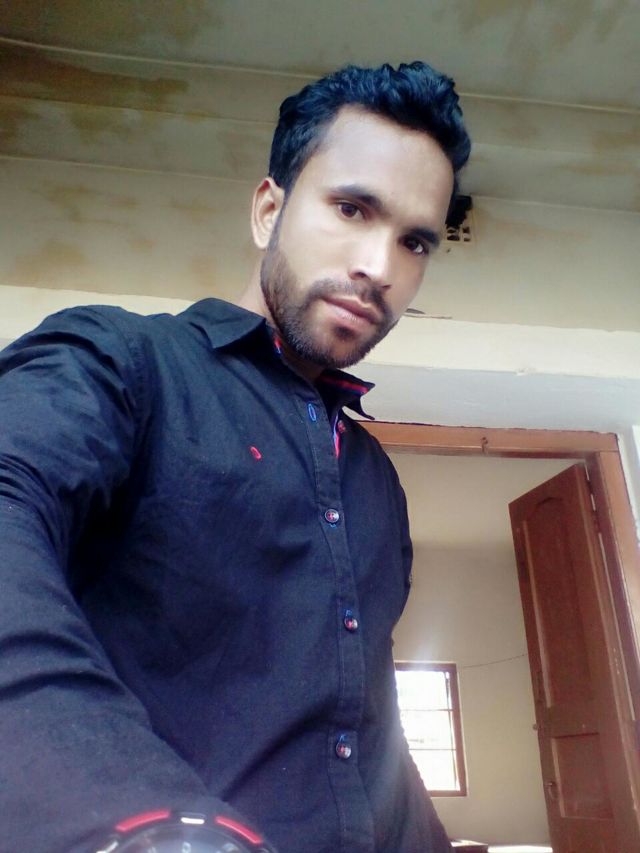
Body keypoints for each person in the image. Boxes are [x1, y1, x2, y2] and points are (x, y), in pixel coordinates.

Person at [0, 61, 470, 852]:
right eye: (352, 208)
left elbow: (366, 733)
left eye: (414, 241)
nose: (379, 267)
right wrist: (149, 822)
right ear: (268, 210)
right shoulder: (121, 363)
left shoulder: (373, 480)